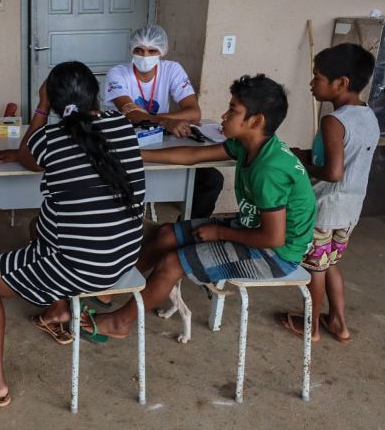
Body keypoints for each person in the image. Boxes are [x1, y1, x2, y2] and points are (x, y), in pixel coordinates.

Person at [0, 61, 145, 406]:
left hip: (85, 266)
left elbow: (26, 155)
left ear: (53, 100)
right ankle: (57, 311)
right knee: (37, 227)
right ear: (97, 94)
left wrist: (42, 108)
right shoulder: (122, 125)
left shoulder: (51, 138)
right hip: (125, 254)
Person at [83, 75, 316, 341]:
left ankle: (119, 323)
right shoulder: (248, 145)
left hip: (276, 254)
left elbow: (273, 238)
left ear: (256, 120)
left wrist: (219, 234)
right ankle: (113, 287)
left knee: (172, 263)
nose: (224, 115)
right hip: (252, 230)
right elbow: (193, 155)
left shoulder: (269, 170)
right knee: (167, 234)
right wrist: (130, 153)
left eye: (233, 110)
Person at [277, 43, 378, 343]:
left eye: (318, 77)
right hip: (349, 210)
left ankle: (312, 326)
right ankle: (338, 322)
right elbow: (343, 157)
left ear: (341, 83)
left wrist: (303, 164)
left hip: (323, 208)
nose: (311, 83)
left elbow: (333, 172)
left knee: (314, 269)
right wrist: (306, 154)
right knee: (329, 262)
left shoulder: (334, 120)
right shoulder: (367, 115)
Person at [105, 24, 224, 219]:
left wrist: (161, 121)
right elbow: (128, 113)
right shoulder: (118, 73)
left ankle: (184, 230)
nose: (145, 56)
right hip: (125, 142)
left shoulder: (172, 70)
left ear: (162, 51)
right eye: (139, 50)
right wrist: (165, 122)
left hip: (162, 142)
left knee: (211, 179)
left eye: (152, 51)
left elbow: (194, 113)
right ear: (131, 50)